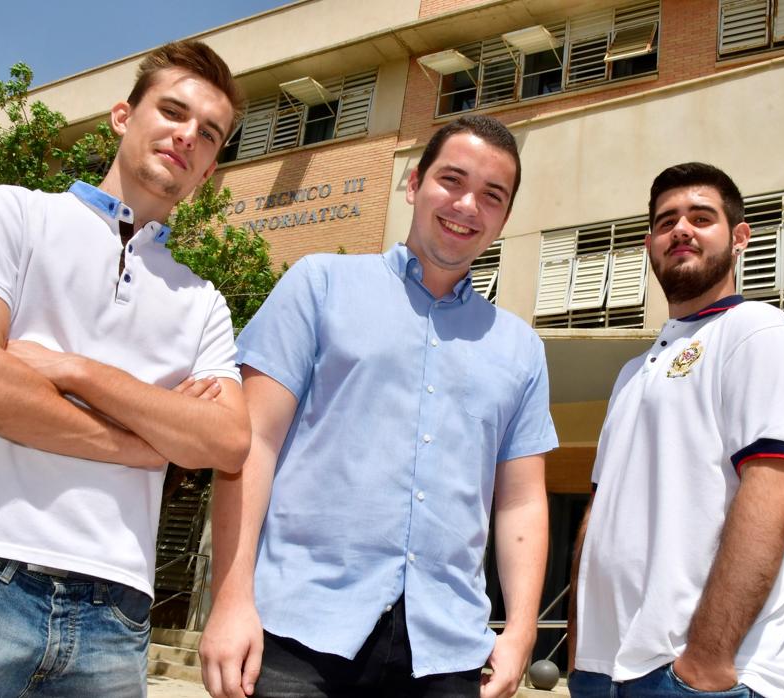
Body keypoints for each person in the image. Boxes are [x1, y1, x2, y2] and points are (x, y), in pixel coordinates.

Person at [0, 40, 251, 698]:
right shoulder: (9, 212)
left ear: (210, 169)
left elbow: (227, 442)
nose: (187, 136)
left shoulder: (202, 302)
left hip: (115, 613)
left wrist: (71, 371)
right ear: (124, 116)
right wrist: (146, 443)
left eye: (208, 134)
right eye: (173, 112)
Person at [199, 114, 558, 698]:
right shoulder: (319, 284)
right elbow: (251, 444)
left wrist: (520, 632)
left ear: (505, 217)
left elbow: (520, 502)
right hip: (297, 634)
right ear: (414, 184)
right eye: (452, 181)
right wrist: (231, 600)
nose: (468, 205)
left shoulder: (520, 347)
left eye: (492, 195)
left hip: (447, 651)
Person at [568, 163, 784, 698]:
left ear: (739, 237)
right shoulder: (631, 374)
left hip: (690, 678)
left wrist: (706, 662)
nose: (681, 229)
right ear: (650, 244)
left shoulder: (758, 332)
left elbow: (775, 489)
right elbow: (598, 513)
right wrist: (578, 650)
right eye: (666, 221)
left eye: (701, 217)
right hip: (601, 672)